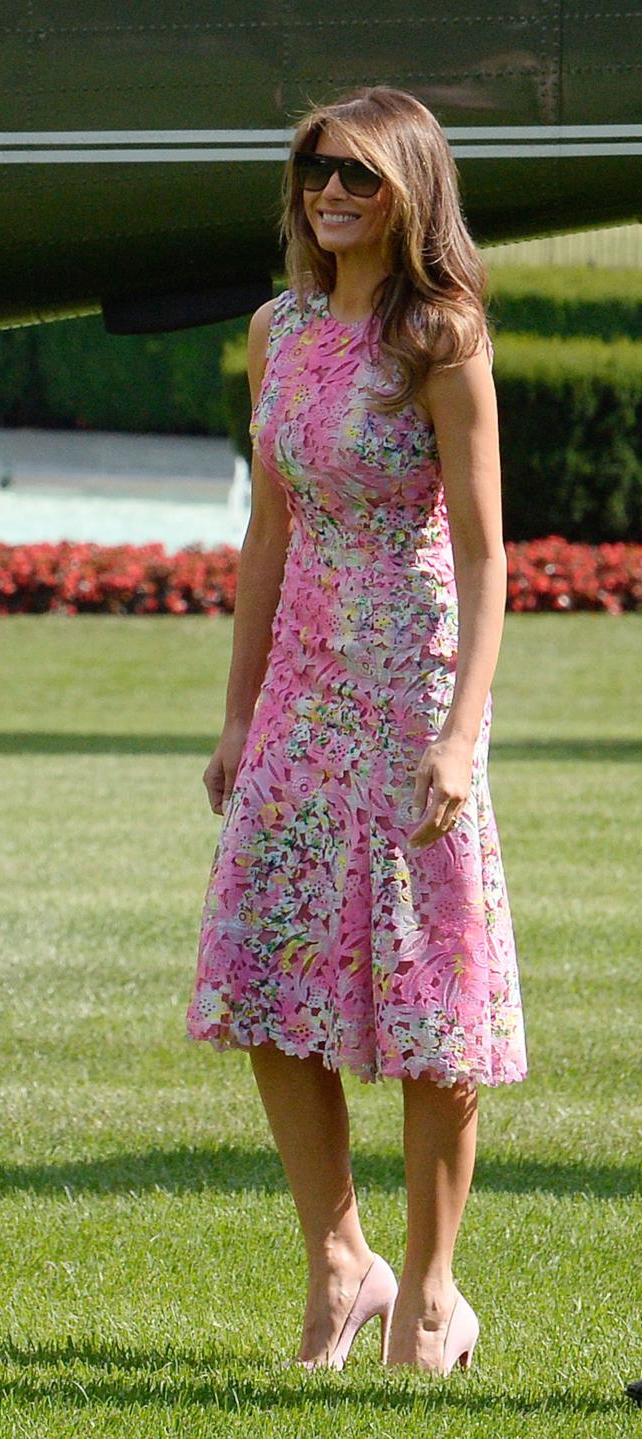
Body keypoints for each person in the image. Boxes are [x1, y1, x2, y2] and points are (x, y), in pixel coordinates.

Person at [184, 85, 527, 1375]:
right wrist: (236, 712)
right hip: (301, 692)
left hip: (413, 681)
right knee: (268, 972)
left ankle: (434, 1294)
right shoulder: (277, 332)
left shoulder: (440, 333)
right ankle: (342, 1260)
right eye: (318, 169)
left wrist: (460, 733)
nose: (332, 191)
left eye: (361, 175)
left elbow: (491, 555)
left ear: (410, 190)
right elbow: (268, 529)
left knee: (433, 995)